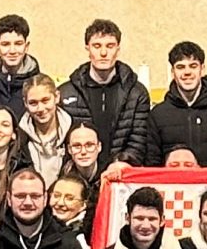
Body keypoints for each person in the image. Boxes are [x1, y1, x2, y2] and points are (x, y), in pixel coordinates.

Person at [58, 17, 150, 169]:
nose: (103, 52)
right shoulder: (66, 92)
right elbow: (62, 141)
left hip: (120, 172)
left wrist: (121, 163)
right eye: (97, 46)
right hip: (78, 173)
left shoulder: (136, 93)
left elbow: (138, 140)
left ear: (118, 49)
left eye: (110, 46)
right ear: (87, 49)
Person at [148, 40, 207, 164]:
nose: (187, 72)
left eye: (193, 66)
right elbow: (152, 161)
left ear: (202, 69)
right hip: (173, 177)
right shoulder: (158, 115)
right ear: (172, 72)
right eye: (180, 67)